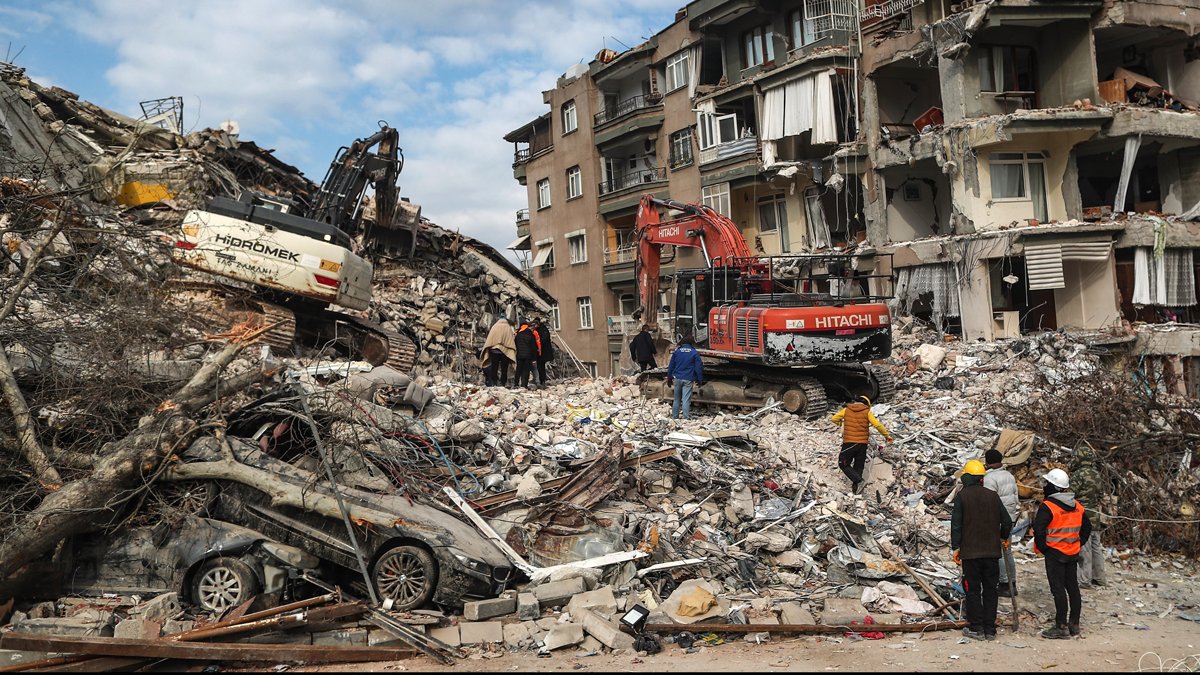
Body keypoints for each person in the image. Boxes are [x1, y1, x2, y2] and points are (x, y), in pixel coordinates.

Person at [951, 459, 1014, 641]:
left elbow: (956, 526)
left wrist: (956, 548)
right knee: (990, 590)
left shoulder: (962, 497)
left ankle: (976, 627)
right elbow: (1007, 521)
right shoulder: (992, 496)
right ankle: (990, 628)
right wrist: (1003, 537)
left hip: (970, 554)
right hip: (992, 553)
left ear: (968, 477)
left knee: (972, 590)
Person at [1033, 468, 1092, 639]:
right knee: (1072, 588)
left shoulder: (1048, 506)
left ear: (1052, 486)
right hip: (1072, 552)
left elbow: (1039, 530)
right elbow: (1087, 527)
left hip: (1055, 553)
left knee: (1058, 589)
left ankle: (1061, 626)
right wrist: (1078, 542)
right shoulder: (1077, 505)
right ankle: (1074, 623)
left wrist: (1045, 548)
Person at [830, 396, 894, 494]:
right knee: (858, 466)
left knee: (843, 464)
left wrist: (842, 425)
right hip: (862, 444)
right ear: (867, 404)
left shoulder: (846, 410)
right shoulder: (867, 412)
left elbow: (834, 419)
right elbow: (877, 425)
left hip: (849, 443)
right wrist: (887, 436)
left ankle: (859, 481)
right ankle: (856, 492)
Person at [983, 448, 1021, 597]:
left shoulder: (989, 479)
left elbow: (988, 502)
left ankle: (1004, 584)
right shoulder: (1009, 476)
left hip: (996, 520)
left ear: (988, 462)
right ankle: (1012, 583)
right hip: (1009, 518)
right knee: (1007, 550)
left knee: (997, 552)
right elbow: (1016, 497)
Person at [1070, 443, 1107, 588]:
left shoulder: (1079, 475)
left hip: (1082, 516)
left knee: (1084, 548)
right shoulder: (1097, 474)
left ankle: (1084, 580)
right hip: (1095, 515)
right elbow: (1101, 495)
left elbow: (1071, 494)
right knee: (1096, 548)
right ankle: (1099, 577)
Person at [665, 334, 703, 420]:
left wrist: (669, 378)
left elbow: (671, 366)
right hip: (688, 378)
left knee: (676, 399)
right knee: (686, 399)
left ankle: (675, 416)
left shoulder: (677, 352)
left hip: (677, 378)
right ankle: (686, 417)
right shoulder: (694, 353)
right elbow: (698, 367)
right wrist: (699, 379)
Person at [480, 316, 515, 387]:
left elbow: (490, 338)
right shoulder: (508, 327)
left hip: (494, 351)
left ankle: (494, 382)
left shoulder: (495, 326)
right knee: (504, 368)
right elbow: (510, 339)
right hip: (505, 352)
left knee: (494, 367)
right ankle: (503, 383)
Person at [513, 318, 541, 389]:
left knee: (518, 370)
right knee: (526, 370)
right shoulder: (531, 336)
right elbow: (534, 348)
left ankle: (516, 384)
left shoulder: (519, 335)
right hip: (528, 356)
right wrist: (534, 359)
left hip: (519, 355)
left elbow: (515, 344)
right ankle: (524, 384)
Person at [532, 318, 554, 387]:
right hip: (541, 352)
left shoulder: (542, 330)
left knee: (540, 367)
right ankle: (541, 380)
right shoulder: (542, 329)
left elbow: (542, 340)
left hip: (543, 352)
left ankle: (542, 381)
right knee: (540, 367)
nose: (534, 326)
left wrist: (536, 346)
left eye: (535, 324)